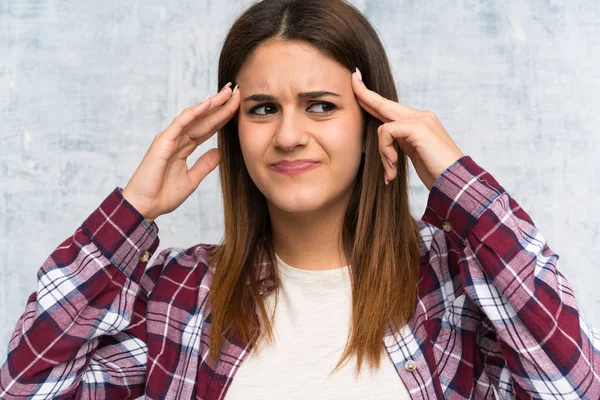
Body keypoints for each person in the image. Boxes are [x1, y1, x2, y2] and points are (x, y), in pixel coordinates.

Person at [1, 0, 599, 398]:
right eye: (263, 109)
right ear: (234, 128)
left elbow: (574, 387)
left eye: (321, 105)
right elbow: (26, 388)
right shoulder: (179, 297)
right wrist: (130, 212)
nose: (288, 135)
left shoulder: (455, 289)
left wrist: (455, 178)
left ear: (372, 122)